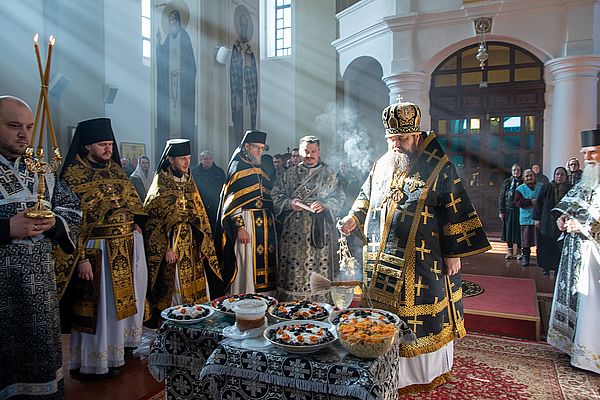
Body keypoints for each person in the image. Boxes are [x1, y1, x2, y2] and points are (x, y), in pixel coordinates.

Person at [339, 100, 490, 392]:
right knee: (382, 316)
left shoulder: (438, 167)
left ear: (417, 136)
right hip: (380, 258)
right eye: (392, 138)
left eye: (402, 138)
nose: (396, 144)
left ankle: (420, 375)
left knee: (418, 317)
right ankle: (379, 364)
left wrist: (453, 252)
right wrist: (352, 218)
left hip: (423, 260)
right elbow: (364, 198)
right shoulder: (381, 164)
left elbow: (454, 208)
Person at [54, 118, 147, 378]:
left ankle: (119, 352)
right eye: (102, 145)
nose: (109, 149)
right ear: (86, 146)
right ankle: (93, 363)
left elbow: (131, 203)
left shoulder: (115, 170)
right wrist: (80, 258)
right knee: (98, 312)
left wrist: (135, 223)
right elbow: (70, 222)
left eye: (110, 144)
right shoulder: (72, 177)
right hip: (95, 252)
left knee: (119, 308)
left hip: (123, 249)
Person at [0, 96, 80, 399]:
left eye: (30, 126)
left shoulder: (40, 170)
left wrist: (56, 224)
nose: (24, 133)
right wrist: (7, 228)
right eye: (13, 125)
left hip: (39, 295)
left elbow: (71, 207)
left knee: (40, 365)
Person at [144, 140, 222, 325]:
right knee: (176, 289)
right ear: (171, 160)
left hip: (194, 246)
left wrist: (205, 246)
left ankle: (198, 322)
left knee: (198, 287)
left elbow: (201, 217)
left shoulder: (189, 183)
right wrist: (165, 249)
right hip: (174, 248)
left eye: (188, 158)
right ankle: (176, 324)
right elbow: (153, 223)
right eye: (182, 159)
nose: (187, 163)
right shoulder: (160, 186)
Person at [547, 128, 600, 374]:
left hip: (594, 254)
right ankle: (573, 347)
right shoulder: (588, 179)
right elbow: (574, 205)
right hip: (577, 249)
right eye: (585, 153)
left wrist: (582, 226)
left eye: (593, 153)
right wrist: (564, 218)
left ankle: (591, 355)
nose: (588, 158)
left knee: (592, 300)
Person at [272, 135, 345, 301]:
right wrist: (290, 203)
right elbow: (276, 195)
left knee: (319, 269)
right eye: (306, 151)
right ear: (300, 151)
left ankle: (321, 304)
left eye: (313, 151)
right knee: (294, 270)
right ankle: (290, 305)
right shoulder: (288, 175)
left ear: (319, 152)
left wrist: (324, 204)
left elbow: (340, 198)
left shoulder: (330, 175)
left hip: (319, 234)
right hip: (294, 234)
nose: (309, 155)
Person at [216, 130, 277, 294]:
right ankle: (246, 296)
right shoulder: (237, 168)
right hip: (247, 224)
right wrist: (240, 227)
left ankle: (266, 298)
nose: (259, 151)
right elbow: (231, 205)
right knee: (248, 264)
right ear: (246, 147)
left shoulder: (261, 168)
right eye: (256, 147)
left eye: (262, 148)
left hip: (265, 225)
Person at [156, 8, 196, 153]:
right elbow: (161, 58)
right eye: (170, 20)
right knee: (170, 107)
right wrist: (157, 43)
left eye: (174, 20)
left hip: (182, 82)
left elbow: (190, 62)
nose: (172, 23)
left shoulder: (184, 36)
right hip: (169, 81)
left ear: (179, 21)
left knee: (180, 109)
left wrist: (183, 72)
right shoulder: (167, 39)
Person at [533, 167, 572, 275]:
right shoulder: (547, 187)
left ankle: (558, 267)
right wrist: (537, 218)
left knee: (559, 245)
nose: (559, 177)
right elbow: (539, 203)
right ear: (554, 176)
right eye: (557, 174)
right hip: (547, 221)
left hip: (563, 223)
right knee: (546, 244)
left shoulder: (570, 188)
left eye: (562, 174)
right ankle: (545, 267)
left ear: (566, 176)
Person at [514, 169, 543, 266]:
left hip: (539, 218)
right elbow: (518, 202)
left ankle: (541, 260)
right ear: (523, 178)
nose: (529, 178)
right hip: (526, 218)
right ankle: (526, 258)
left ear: (534, 176)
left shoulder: (542, 187)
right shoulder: (520, 189)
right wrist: (531, 202)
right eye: (527, 176)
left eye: (531, 175)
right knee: (526, 240)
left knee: (540, 240)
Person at [191, 150, 226, 231]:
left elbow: (224, 188)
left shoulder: (219, 172)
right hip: (200, 205)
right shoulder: (195, 173)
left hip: (216, 205)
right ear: (201, 160)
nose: (208, 161)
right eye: (205, 159)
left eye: (210, 158)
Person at [498, 164, 523, 259]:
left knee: (519, 231)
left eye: (518, 170)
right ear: (512, 171)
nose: (516, 172)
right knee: (508, 231)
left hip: (520, 211)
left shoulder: (523, 182)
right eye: (514, 170)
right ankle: (509, 252)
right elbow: (502, 197)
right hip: (508, 210)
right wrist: (501, 211)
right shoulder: (507, 182)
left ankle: (519, 252)